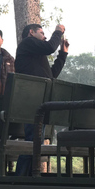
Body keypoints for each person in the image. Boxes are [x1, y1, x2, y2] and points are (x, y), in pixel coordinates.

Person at [13, 23, 70, 176]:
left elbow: (52, 75)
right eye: (42, 32)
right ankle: (21, 179)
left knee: (35, 143)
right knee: (32, 143)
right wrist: (58, 31)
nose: (45, 36)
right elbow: (50, 46)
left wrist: (63, 54)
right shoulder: (26, 43)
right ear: (31, 33)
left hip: (40, 101)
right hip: (31, 100)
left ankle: (29, 176)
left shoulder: (36, 56)